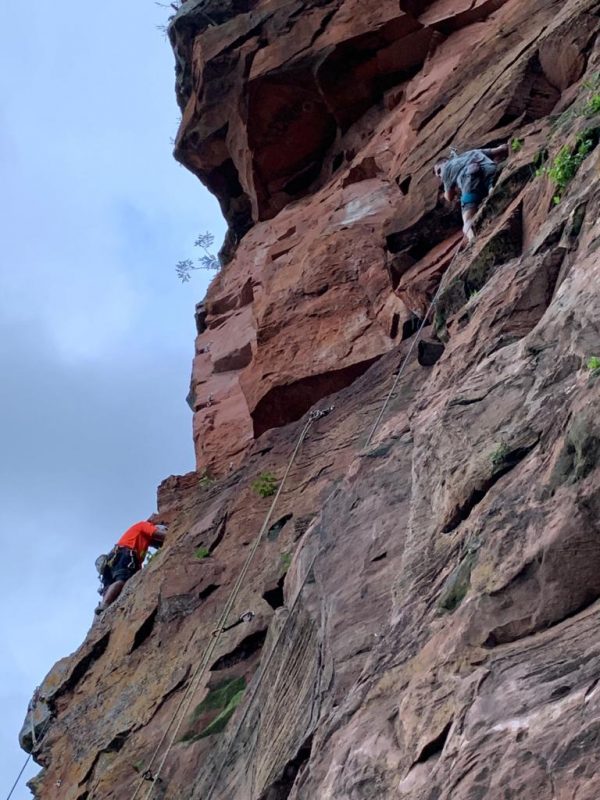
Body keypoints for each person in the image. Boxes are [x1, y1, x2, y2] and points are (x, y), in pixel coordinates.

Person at [434, 144, 509, 241]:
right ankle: (492, 190)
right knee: (492, 186)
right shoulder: (472, 152)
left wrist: (445, 192)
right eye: (438, 175)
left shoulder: (447, 167)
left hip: (470, 181)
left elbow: (449, 197)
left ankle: (473, 241)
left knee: (467, 221)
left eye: (438, 171)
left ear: (445, 161)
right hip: (490, 169)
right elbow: (500, 149)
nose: (440, 175)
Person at [95, 520, 168, 615]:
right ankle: (105, 605)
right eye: (164, 530)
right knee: (121, 580)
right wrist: (170, 534)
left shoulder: (141, 541)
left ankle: (101, 612)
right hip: (125, 553)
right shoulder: (145, 525)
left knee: (108, 589)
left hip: (113, 559)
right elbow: (158, 534)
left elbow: (138, 565)